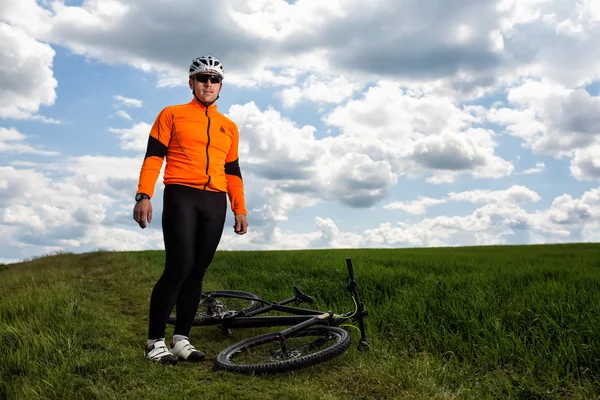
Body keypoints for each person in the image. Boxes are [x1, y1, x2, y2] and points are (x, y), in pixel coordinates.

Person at [133, 55, 248, 365]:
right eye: (201, 78)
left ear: (221, 85)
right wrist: (144, 194)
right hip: (181, 194)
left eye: (214, 79)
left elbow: (233, 171)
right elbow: (154, 157)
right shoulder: (172, 114)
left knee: (197, 272)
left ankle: (181, 338)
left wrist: (239, 208)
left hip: (215, 201)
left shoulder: (229, 127)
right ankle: (154, 341)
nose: (207, 83)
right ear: (191, 83)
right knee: (178, 267)